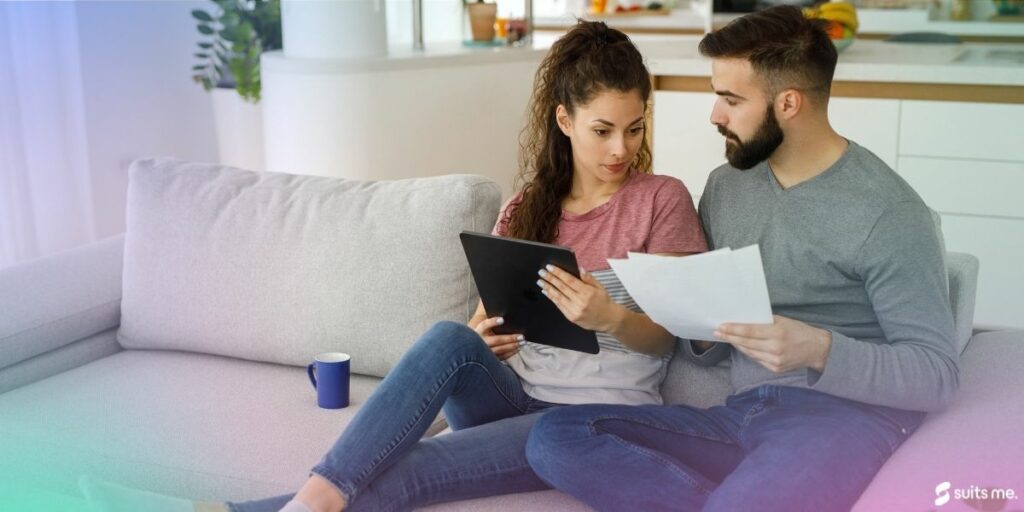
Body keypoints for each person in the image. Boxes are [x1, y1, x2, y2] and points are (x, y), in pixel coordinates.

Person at [78, 20, 707, 512]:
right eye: (603, 130)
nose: (621, 148)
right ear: (564, 120)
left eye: (633, 127)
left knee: (408, 471)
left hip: (586, 420)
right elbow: (488, 319)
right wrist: (488, 336)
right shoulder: (527, 206)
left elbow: (670, 335)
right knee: (449, 338)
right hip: (512, 395)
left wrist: (609, 316)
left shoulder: (661, 199)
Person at [524, 7, 960, 512]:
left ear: (789, 103)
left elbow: (938, 374)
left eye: (730, 99)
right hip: (743, 415)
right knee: (555, 436)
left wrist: (818, 348)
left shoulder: (889, 212)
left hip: (840, 421)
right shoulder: (727, 187)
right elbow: (702, 334)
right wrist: (698, 326)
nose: (715, 115)